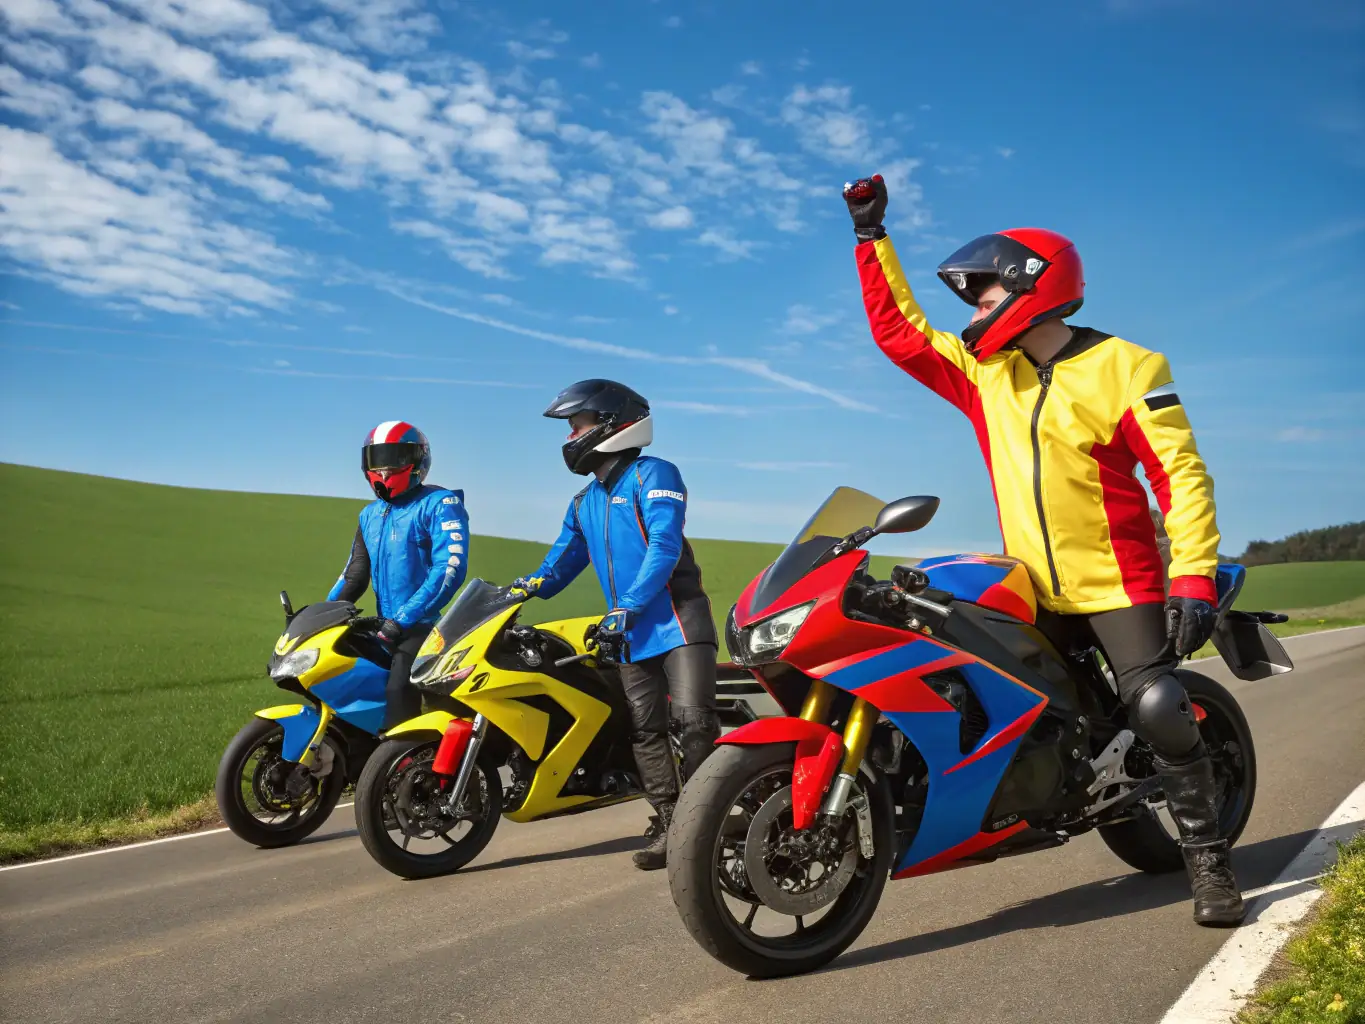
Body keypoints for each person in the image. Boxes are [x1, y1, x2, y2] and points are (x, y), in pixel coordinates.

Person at [843, 175, 1244, 926]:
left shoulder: (1128, 367)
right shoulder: (985, 375)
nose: (973, 312)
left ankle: (1209, 861)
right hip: (1030, 583)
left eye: (984, 296)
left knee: (1156, 705)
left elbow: (1180, 477)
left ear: (1033, 287)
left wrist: (1190, 575)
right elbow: (902, 333)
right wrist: (871, 237)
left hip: (1117, 583)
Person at [511, 379, 720, 871]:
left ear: (611, 424)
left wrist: (627, 605)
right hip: (627, 631)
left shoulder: (655, 475)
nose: (570, 437)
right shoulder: (584, 502)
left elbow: (664, 546)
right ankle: (672, 824)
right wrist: (520, 589)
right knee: (645, 732)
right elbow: (560, 563)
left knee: (693, 724)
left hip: (678, 621)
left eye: (577, 425)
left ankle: (710, 819)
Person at [329, 421, 468, 730]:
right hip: (384, 628)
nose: (384, 470)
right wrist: (321, 615)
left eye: (394, 459)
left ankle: (402, 756)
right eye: (376, 460)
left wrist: (402, 620)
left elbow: (449, 568)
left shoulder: (440, 503)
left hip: (423, 628)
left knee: (398, 690)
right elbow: (354, 575)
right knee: (347, 682)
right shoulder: (369, 515)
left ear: (417, 461)